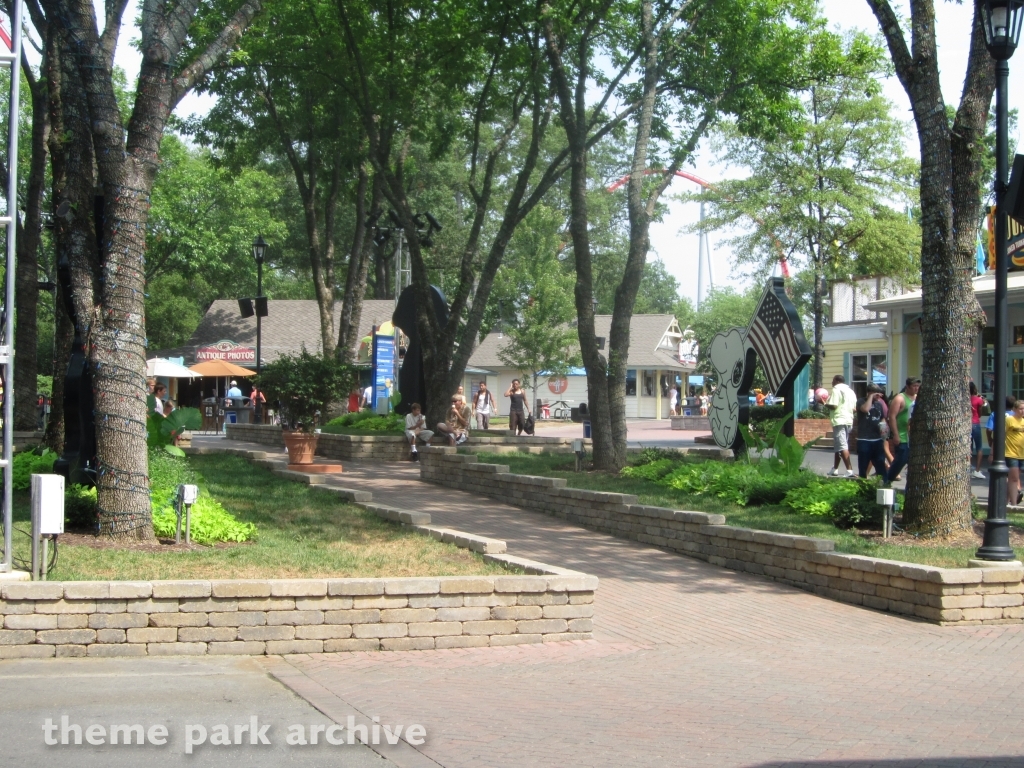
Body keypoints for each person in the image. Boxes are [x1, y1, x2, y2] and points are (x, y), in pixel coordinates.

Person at [887, 377, 920, 484]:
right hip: (902, 435)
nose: (916, 388)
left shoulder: (917, 398)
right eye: (914, 386)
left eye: (917, 386)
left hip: (914, 435)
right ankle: (887, 480)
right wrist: (895, 434)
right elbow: (891, 417)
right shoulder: (899, 398)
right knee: (901, 459)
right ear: (907, 386)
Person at [824, 375, 856, 477]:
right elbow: (854, 408)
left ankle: (849, 470)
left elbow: (834, 405)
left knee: (842, 446)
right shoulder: (850, 391)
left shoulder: (836, 389)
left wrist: (824, 403)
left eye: (833, 380)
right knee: (839, 445)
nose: (832, 383)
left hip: (839, 420)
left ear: (837, 381)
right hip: (849, 420)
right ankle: (835, 468)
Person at [856, 383, 888, 480]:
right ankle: (862, 486)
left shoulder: (878, 404)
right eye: (876, 394)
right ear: (870, 393)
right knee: (863, 466)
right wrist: (871, 397)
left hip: (877, 439)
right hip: (864, 439)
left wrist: (884, 429)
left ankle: (884, 484)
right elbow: (865, 409)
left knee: (880, 464)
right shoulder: (861, 401)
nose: (879, 396)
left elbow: (882, 418)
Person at [1006, 399, 1024, 507]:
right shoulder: (1009, 420)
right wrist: (992, 453)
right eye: (1021, 409)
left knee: (1015, 478)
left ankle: (1006, 501)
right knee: (1014, 478)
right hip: (1011, 453)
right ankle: (1014, 504)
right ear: (1015, 409)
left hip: (1022, 453)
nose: (1023, 411)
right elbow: (999, 435)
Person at [970, 382, 986, 479]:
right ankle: (977, 470)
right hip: (975, 423)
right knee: (979, 447)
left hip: (966, 424)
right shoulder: (978, 400)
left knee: (969, 447)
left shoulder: (963, 399)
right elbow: (980, 413)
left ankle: (968, 469)